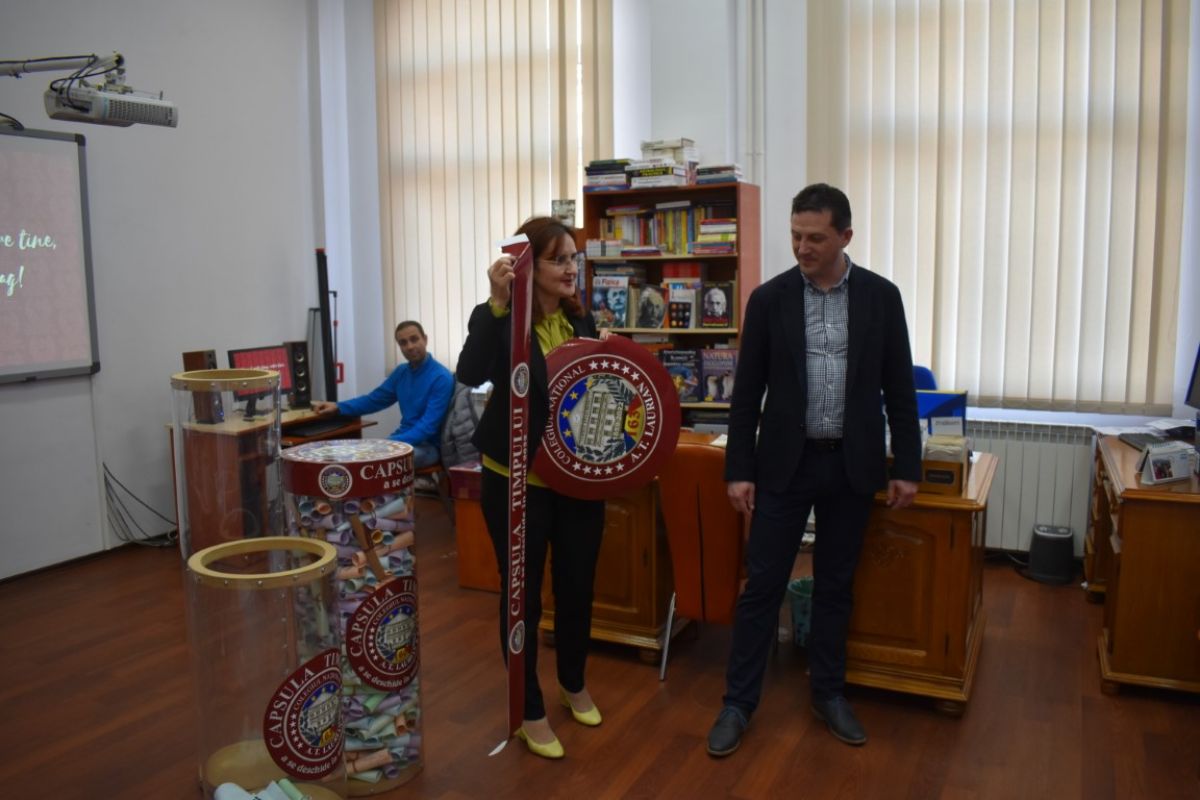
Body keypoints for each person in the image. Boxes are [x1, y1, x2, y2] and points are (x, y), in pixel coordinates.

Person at [706, 183, 922, 757]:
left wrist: (908, 465)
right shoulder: (769, 299)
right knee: (763, 586)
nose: (803, 247)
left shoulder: (881, 297)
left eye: (816, 238)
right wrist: (738, 469)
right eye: (796, 236)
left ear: (845, 236)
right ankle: (738, 702)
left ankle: (828, 693)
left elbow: (900, 388)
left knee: (834, 586)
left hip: (852, 465)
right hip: (785, 465)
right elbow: (746, 394)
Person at [456, 216, 607, 760]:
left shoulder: (581, 319)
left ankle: (573, 682)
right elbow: (470, 373)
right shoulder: (501, 319)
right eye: (558, 259)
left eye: (573, 259)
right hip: (517, 481)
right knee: (522, 596)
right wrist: (496, 303)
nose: (570, 269)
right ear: (527, 266)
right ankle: (528, 708)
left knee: (577, 587)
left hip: (577, 479)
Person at [312, 321, 453, 469]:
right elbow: (373, 400)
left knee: (375, 462)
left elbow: (427, 427)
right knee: (353, 457)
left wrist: (387, 444)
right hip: (402, 440)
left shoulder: (441, 377)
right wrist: (338, 407)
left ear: (425, 339)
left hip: (428, 447)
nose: (410, 346)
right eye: (403, 343)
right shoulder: (401, 372)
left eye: (414, 339)